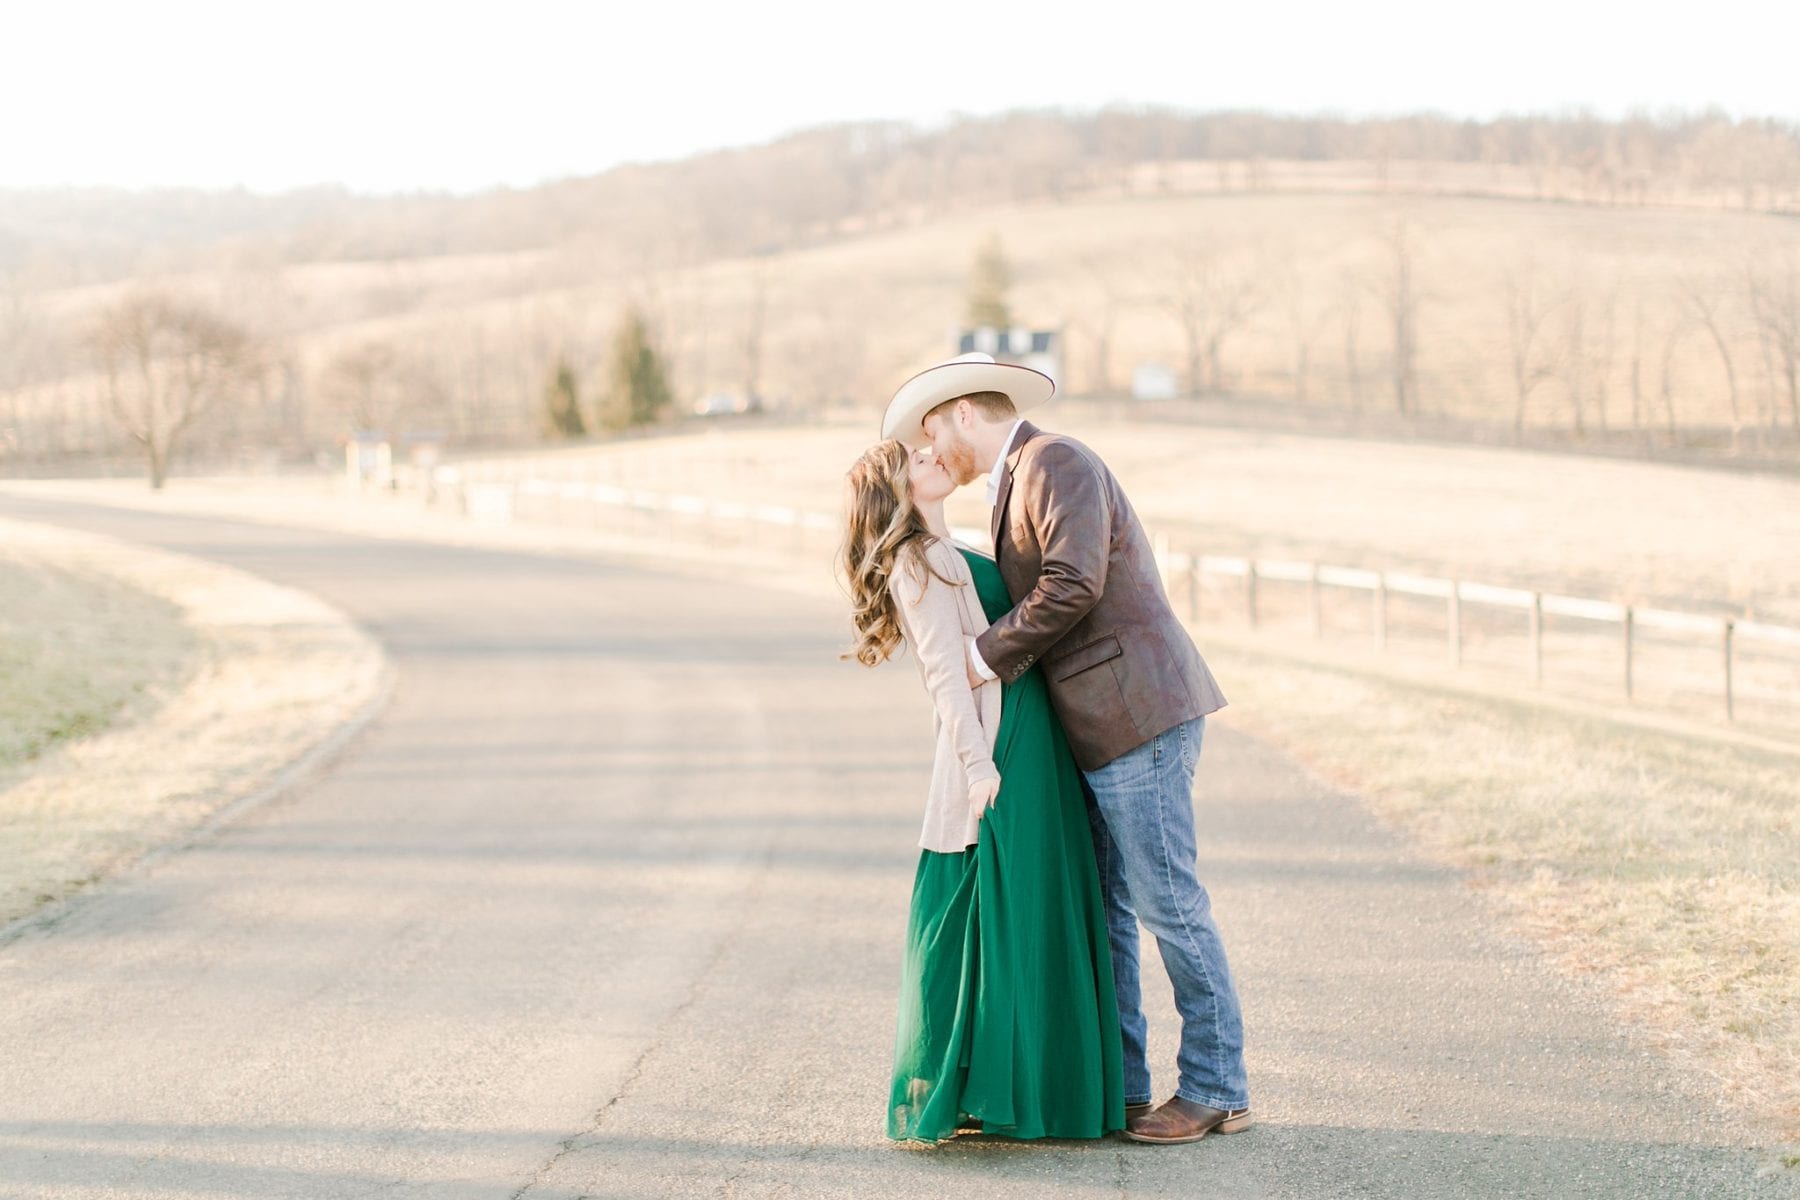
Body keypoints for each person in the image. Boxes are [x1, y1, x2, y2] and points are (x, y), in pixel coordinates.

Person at [885, 351, 1250, 1145]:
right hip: (1097, 727)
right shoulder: (1015, 482)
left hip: (1136, 714)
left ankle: (1219, 1087)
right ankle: (1121, 1084)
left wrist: (983, 658)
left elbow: (1072, 582)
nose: (932, 449)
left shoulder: (1056, 460)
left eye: (932, 431)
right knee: (1112, 908)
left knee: (1166, 903)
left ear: (961, 415)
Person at [841, 436, 1124, 1145]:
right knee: (1006, 910)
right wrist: (977, 767)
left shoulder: (952, 544)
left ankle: (1056, 1088)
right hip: (1003, 744)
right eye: (914, 460)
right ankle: (1014, 1092)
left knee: (1042, 901)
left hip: (1037, 734)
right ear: (897, 492)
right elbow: (946, 677)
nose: (933, 455)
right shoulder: (918, 561)